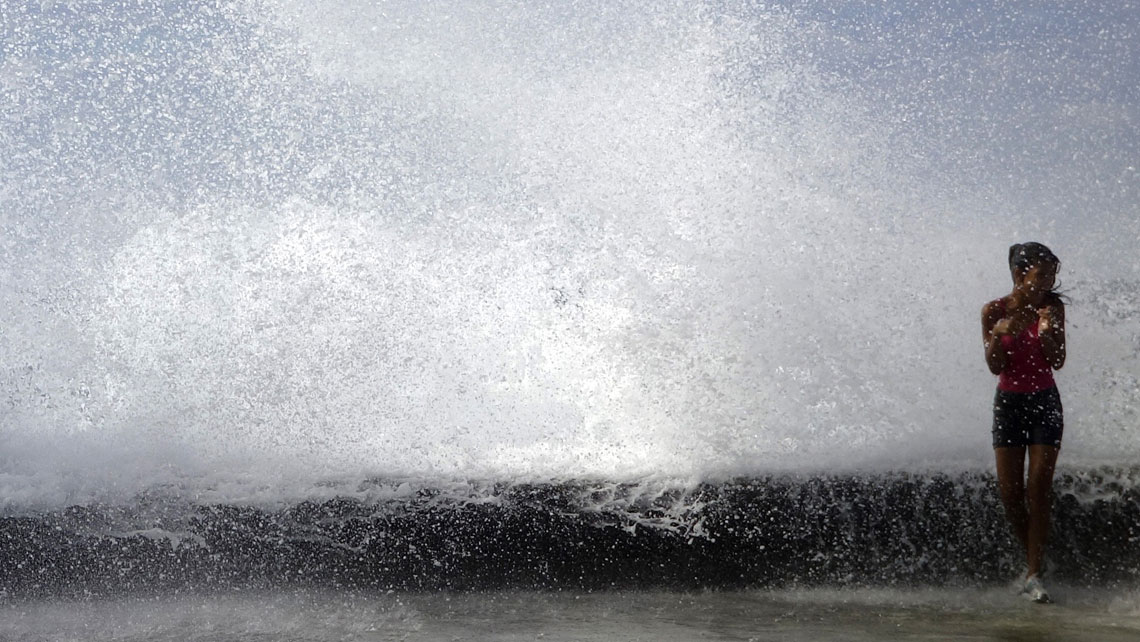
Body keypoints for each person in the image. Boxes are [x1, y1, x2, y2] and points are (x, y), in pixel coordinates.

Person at [981, 242, 1066, 603]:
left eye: (1052, 275)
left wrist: (1047, 332)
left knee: (1038, 486)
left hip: (1045, 400)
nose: (1048, 282)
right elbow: (995, 366)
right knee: (1010, 494)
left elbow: (1059, 360)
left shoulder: (1052, 307)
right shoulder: (993, 310)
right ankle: (1036, 554)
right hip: (1010, 404)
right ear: (1019, 273)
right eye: (1041, 274)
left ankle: (1033, 575)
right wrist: (1001, 333)